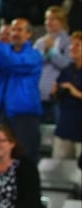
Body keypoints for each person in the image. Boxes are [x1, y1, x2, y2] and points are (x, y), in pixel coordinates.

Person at [0, 18, 43, 163]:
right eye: (13, 29)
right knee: (0, 156)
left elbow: (17, 63)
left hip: (24, 114)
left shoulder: (34, 55)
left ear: (29, 34)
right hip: (1, 112)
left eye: (20, 30)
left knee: (24, 156)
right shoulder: (3, 54)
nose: (15, 33)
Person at [34, 5, 72, 123]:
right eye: (47, 19)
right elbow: (31, 63)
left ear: (62, 21)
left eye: (53, 19)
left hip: (58, 96)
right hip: (38, 94)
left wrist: (51, 51)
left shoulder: (69, 42)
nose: (48, 22)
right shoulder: (40, 42)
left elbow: (67, 64)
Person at [52, 30, 82, 160]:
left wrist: (74, 91)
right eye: (71, 44)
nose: (73, 48)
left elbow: (72, 91)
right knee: (58, 169)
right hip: (65, 127)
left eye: (78, 45)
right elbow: (56, 95)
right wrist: (55, 92)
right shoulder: (67, 70)